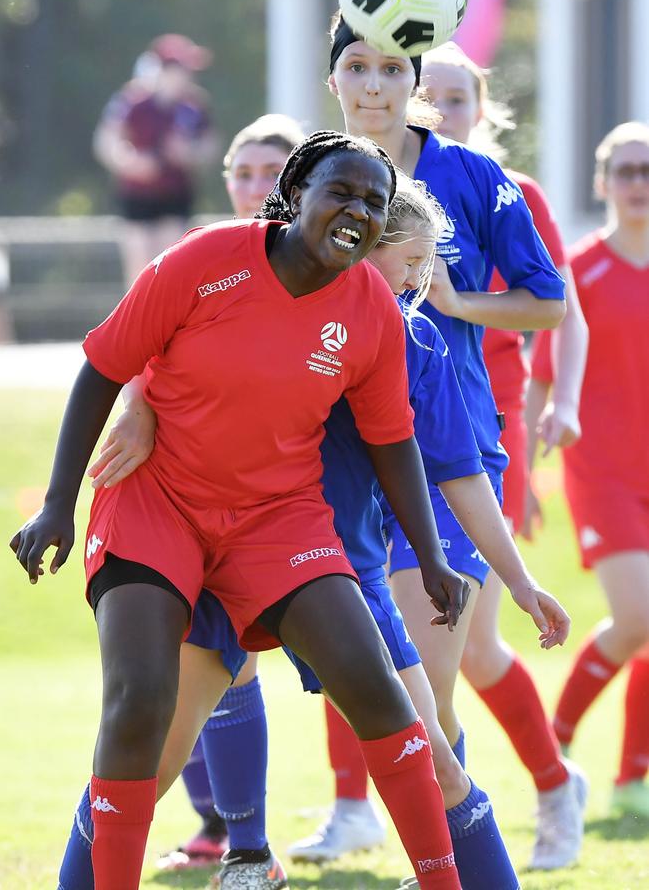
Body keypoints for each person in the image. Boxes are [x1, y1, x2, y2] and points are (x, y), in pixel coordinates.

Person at [12, 131, 474, 890]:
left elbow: (395, 444)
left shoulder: (372, 312)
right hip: (158, 500)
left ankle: (443, 882)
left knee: (379, 692)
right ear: (296, 198)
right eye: (342, 191)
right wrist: (58, 505)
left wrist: (430, 559)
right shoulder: (206, 259)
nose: (357, 209)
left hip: (276, 517)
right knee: (139, 704)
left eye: (374, 201)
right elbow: (102, 365)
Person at [89, 172, 572, 890]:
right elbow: (165, 351)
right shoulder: (265, 299)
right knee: (147, 756)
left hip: (340, 572)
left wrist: (522, 580)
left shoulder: (416, 344)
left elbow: (460, 476)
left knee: (433, 755)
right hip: (221, 557)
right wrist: (138, 400)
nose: (416, 285)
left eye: (424, 268)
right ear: (355, 246)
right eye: (405, 264)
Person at [309, 15, 572, 873]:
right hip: (335, 470)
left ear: (414, 79)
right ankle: (273, 829)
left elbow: (549, 302)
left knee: (426, 688)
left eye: (393, 67)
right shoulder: (316, 179)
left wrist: (460, 307)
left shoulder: (474, 177)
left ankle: (457, 851)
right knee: (380, 691)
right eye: (358, 66)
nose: (376, 85)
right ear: (335, 79)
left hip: (447, 459)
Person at [417, 42, 590, 870]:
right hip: (406, 430)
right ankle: (368, 811)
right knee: (398, 639)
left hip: (492, 427)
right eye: (432, 96)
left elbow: (562, 307)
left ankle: (549, 790)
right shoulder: (386, 182)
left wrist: (562, 399)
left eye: (458, 99)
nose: (443, 111)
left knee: (466, 645)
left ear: (482, 111)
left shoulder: (503, 190)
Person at [149, 112, 307, 875]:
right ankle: (225, 832)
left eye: (270, 174)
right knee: (190, 658)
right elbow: (137, 353)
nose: (253, 188)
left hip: (278, 505)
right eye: (240, 173)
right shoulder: (198, 258)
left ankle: (254, 841)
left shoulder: (327, 270)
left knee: (232, 661)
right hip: (181, 497)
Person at [528, 122, 649, 819]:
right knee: (636, 618)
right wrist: (519, 477)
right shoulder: (582, 272)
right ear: (603, 183)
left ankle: (632, 780)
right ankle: (557, 745)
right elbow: (540, 381)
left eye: (647, 171)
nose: (637, 184)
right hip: (603, 473)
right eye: (625, 171)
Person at [93, 33, 219, 289]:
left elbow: (211, 145)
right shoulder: (133, 101)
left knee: (171, 263)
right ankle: (137, 325)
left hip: (175, 195)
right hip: (137, 195)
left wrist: (189, 153)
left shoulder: (194, 104)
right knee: (139, 267)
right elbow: (106, 141)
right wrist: (130, 161)